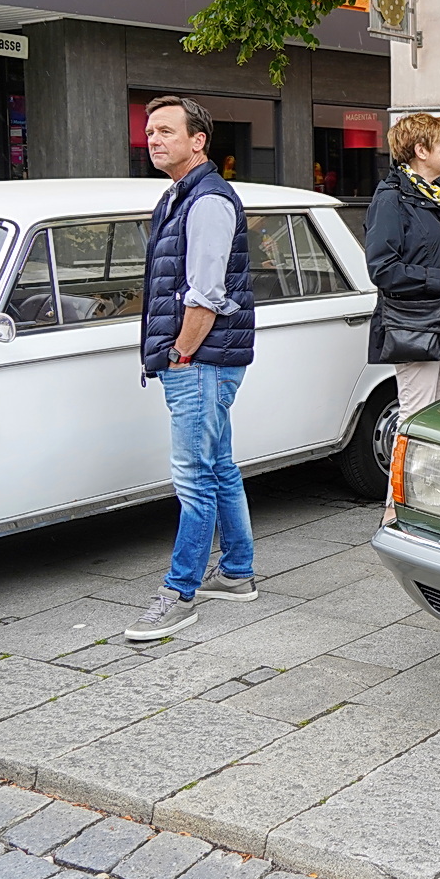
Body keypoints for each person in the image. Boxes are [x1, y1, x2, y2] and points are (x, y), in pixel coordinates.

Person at [125, 96, 258, 643]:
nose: (152, 139)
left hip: (200, 359)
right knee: (218, 464)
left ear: (198, 140)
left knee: (193, 475)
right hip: (202, 359)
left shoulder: (206, 201)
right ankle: (236, 573)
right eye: (149, 131)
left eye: (165, 131)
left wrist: (180, 352)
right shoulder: (180, 195)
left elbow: (205, 295)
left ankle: (179, 593)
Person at [365, 114, 440, 418]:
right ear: (421, 150)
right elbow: (383, 270)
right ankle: (402, 469)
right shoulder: (391, 200)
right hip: (415, 329)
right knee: (416, 421)